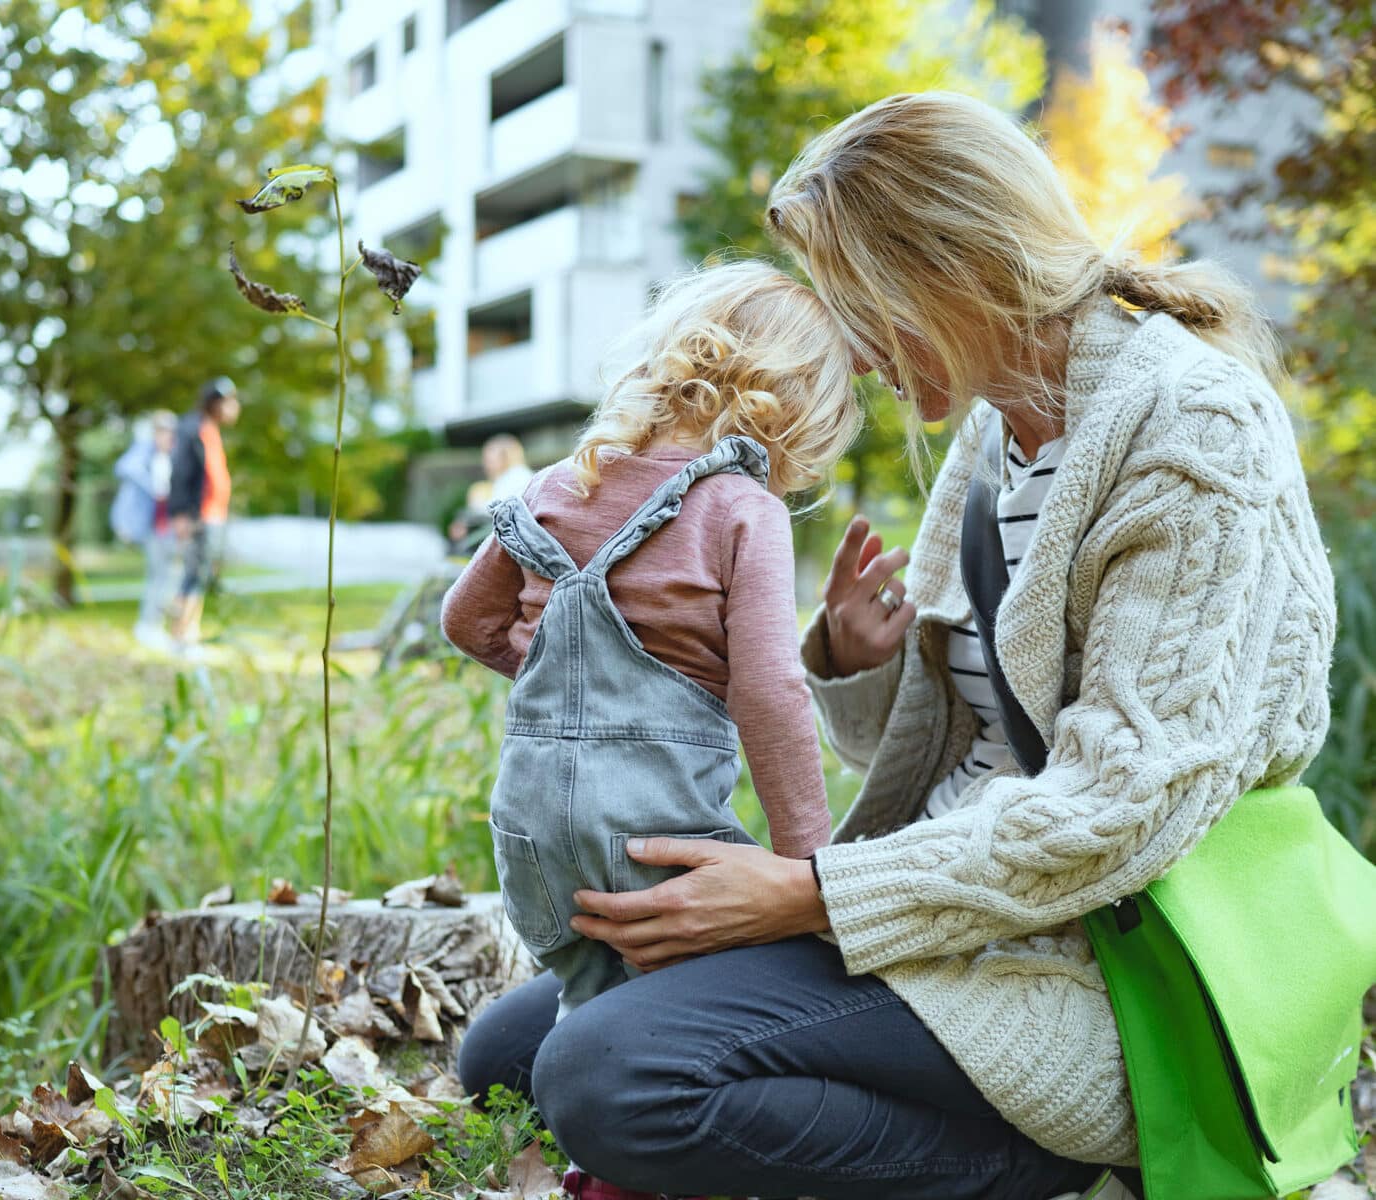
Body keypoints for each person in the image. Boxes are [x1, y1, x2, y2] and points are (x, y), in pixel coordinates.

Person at [454, 92, 1336, 1200]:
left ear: (952, 266)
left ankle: (1063, 1175)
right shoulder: (993, 431)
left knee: (609, 1074)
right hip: (938, 907)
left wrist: (804, 894)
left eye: (860, 306)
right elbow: (934, 745)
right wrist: (858, 660)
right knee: (507, 1058)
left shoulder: (1192, 430)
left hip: (1093, 955)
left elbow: (1125, 805)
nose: (857, 357)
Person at [440, 262, 860, 1022]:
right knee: (743, 992)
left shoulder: (553, 486)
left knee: (590, 998)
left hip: (530, 838)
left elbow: (464, 622)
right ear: (799, 412)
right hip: (653, 836)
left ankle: (585, 1119)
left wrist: (565, 684)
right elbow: (769, 696)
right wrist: (808, 872)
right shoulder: (742, 509)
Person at [168, 377, 241, 652]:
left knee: (199, 575)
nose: (234, 408)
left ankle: (189, 633)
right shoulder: (192, 429)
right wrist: (182, 514)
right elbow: (181, 473)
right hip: (198, 516)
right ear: (216, 402)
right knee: (192, 574)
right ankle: (180, 636)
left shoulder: (210, 430)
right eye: (230, 402)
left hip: (213, 515)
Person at [110, 412, 178, 650]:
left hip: (167, 526)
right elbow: (125, 468)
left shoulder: (171, 456)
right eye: (162, 431)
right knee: (159, 575)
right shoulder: (145, 451)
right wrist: (155, 487)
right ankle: (149, 626)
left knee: (167, 576)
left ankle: (155, 624)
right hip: (152, 526)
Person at [447, 434, 534, 553]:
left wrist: (475, 501)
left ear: (505, 456)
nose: (485, 464)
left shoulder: (515, 476)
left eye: (489, 459)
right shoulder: (510, 477)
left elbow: (495, 509)